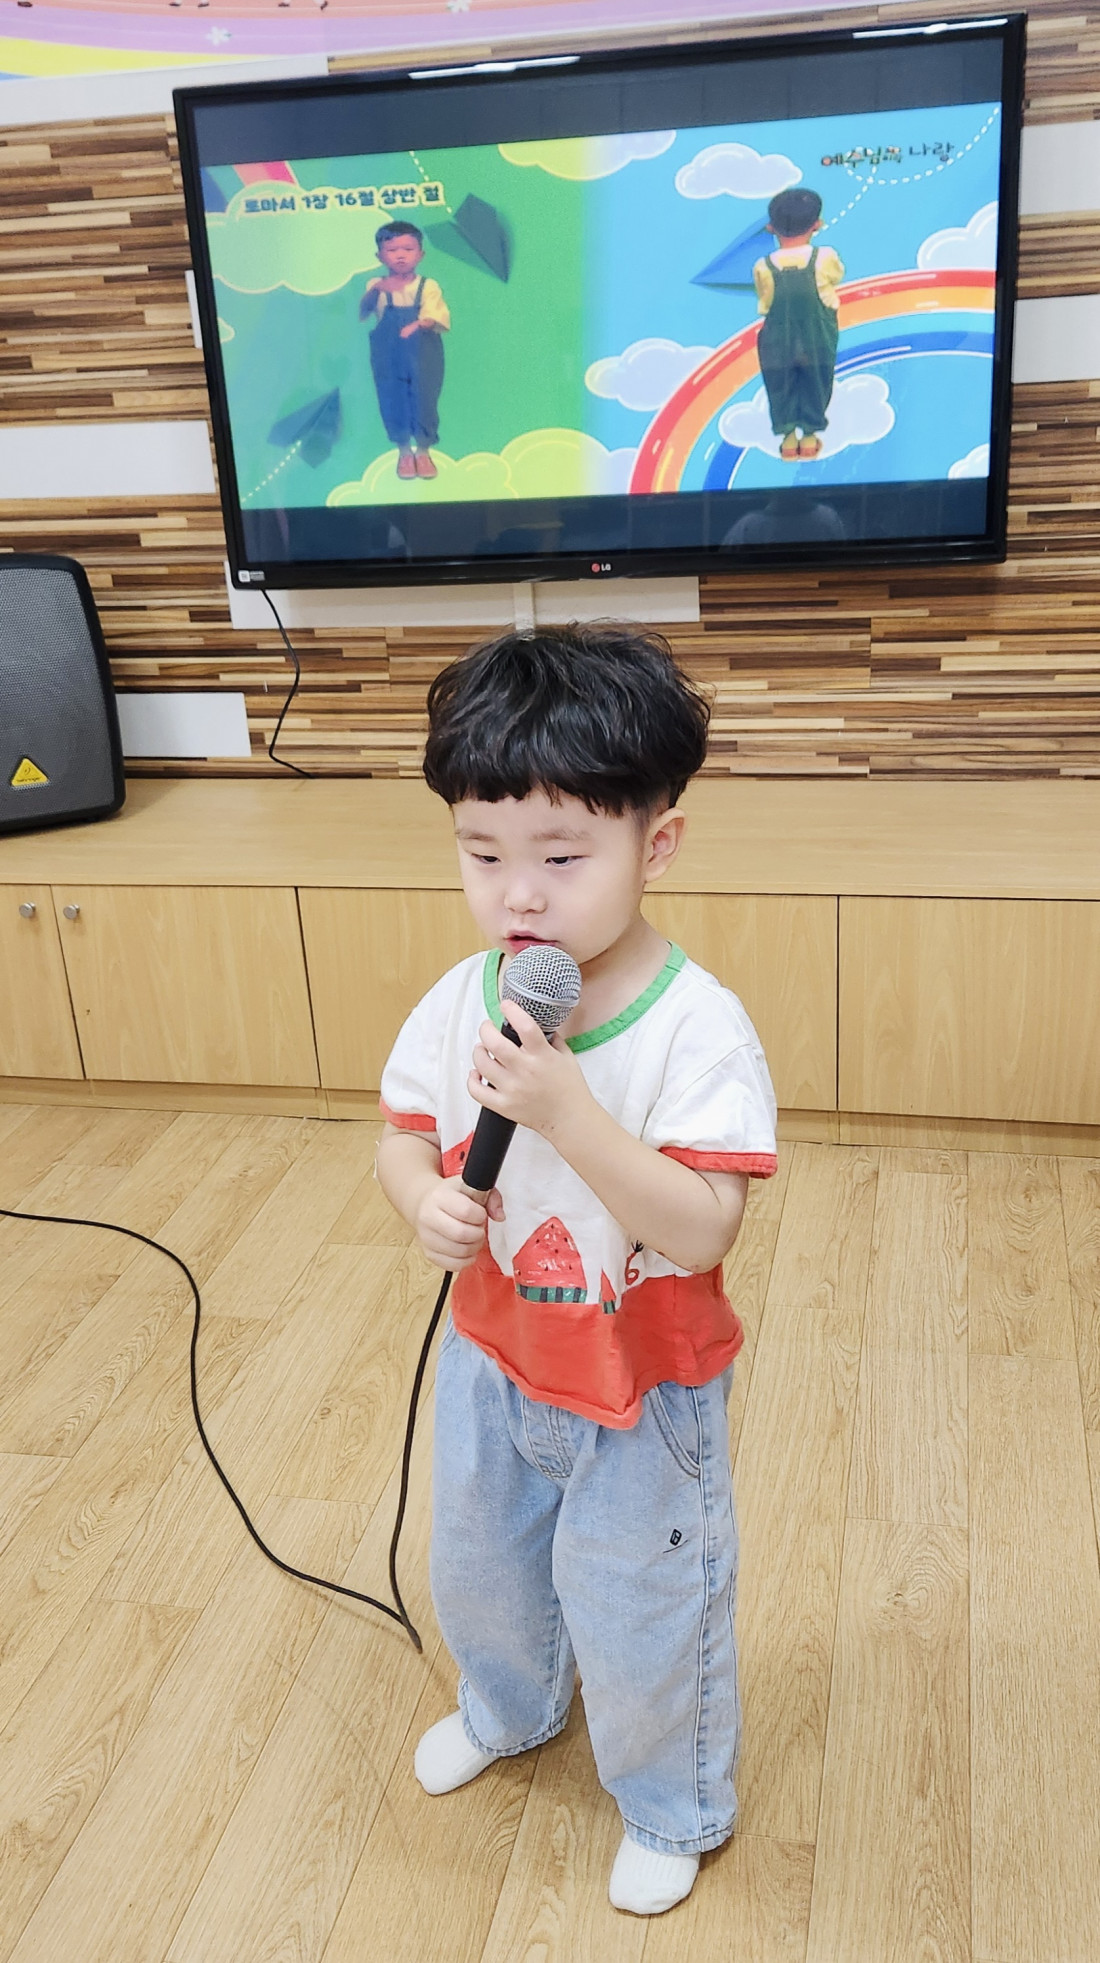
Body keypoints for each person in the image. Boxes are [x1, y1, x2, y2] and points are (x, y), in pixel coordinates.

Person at [375, 625, 777, 1917]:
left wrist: (567, 1111)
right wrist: (424, 1198)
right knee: (479, 1562)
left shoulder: (695, 1027)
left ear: (656, 844)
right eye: (482, 853)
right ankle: (509, 1701)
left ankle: (669, 1796)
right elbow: (401, 1133)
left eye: (560, 856)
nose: (519, 897)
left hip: (639, 1388)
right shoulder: (467, 994)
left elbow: (703, 1227)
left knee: (643, 1599)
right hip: (492, 1355)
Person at [753, 187, 844, 461]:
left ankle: (788, 438)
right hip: (817, 333)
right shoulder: (825, 257)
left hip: (777, 335)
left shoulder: (763, 265)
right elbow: (836, 277)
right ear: (817, 224)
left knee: (780, 382)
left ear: (770, 228)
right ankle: (811, 434)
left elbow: (765, 299)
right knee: (817, 379)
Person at [359, 220, 450, 479]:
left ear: (421, 254)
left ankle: (423, 451)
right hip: (388, 355)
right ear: (380, 255)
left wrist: (417, 324)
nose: (400, 255)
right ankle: (404, 452)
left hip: (424, 353)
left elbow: (434, 314)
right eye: (392, 250)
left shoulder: (428, 286)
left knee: (425, 399)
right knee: (392, 398)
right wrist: (377, 290)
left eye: (408, 249)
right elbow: (364, 313)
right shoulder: (376, 284)